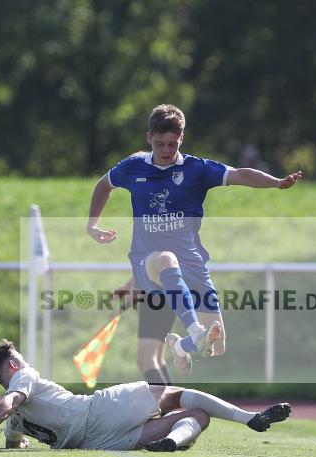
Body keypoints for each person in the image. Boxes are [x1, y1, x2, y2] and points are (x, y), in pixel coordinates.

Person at [86, 104, 303, 376]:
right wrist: (92, 225)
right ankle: (194, 330)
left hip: (192, 262)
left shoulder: (197, 169)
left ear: (182, 139)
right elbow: (104, 185)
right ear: (149, 138)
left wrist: (277, 182)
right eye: (160, 143)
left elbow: (239, 174)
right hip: (147, 261)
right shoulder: (133, 168)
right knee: (166, 259)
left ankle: (182, 346)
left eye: (173, 144)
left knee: (217, 344)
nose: (166, 150)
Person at [0, 340, 291, 452]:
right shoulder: (24, 376)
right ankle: (251, 419)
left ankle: (173, 442)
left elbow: (13, 434)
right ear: (14, 364)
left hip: (96, 443)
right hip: (97, 412)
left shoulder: (15, 421)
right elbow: (11, 402)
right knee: (175, 394)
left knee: (198, 419)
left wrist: (4, 431)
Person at [113, 276, 175, 386]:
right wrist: (126, 287)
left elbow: (144, 270)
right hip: (170, 299)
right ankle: (174, 400)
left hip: (154, 302)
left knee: (146, 361)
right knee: (158, 360)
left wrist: (123, 307)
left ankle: (168, 401)